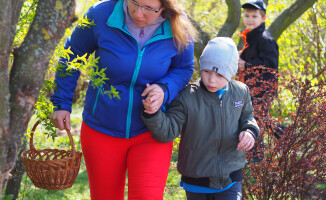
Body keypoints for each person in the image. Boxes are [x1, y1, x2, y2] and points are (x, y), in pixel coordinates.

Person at [49, 0, 197, 199]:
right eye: (134, 3)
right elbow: (71, 55)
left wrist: (164, 89)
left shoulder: (179, 25)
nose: (138, 13)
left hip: (152, 130)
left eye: (149, 9)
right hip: (101, 128)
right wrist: (62, 102)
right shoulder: (101, 15)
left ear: (165, 8)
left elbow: (183, 68)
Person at [142, 37, 260, 200]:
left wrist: (249, 131)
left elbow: (248, 117)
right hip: (196, 181)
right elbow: (167, 132)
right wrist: (153, 113)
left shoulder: (240, 92)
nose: (212, 80)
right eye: (207, 72)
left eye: (219, 74)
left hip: (230, 179)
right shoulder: (187, 97)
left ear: (231, 72)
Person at [238, 0, 280, 161]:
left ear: (263, 18)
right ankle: (286, 135)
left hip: (263, 89)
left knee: (255, 120)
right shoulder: (250, 35)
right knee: (261, 119)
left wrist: (246, 65)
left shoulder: (264, 38)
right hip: (252, 87)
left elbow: (270, 65)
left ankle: (256, 158)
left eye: (254, 16)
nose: (249, 19)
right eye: (247, 15)